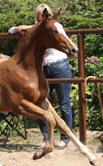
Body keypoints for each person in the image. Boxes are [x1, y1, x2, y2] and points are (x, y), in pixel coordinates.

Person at [8, 3, 76, 149]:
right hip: (43, 69)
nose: (44, 17)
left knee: (65, 104)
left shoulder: (53, 27)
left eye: (46, 14)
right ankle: (46, 138)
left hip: (59, 66)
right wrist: (20, 28)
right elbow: (11, 30)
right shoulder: (35, 30)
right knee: (40, 103)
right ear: (37, 16)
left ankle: (65, 138)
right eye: (41, 15)